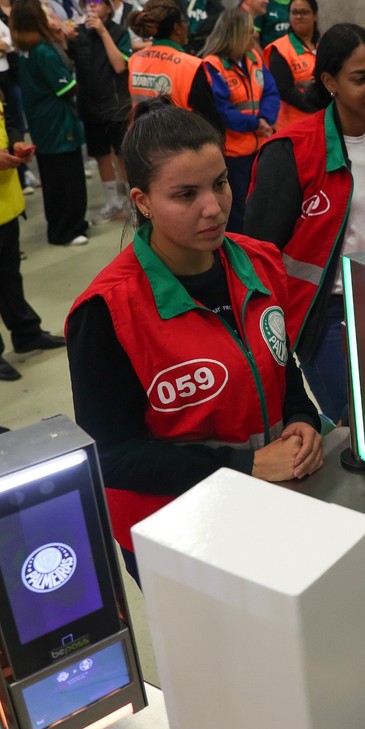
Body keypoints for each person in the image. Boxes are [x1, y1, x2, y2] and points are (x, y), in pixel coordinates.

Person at [66, 97, 323, 586]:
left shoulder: (261, 263)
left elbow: (279, 362)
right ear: (142, 201)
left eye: (220, 183)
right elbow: (111, 455)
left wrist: (302, 418)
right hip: (177, 532)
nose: (213, 208)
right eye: (185, 195)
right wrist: (243, 465)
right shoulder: (106, 312)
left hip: (271, 500)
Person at [244, 23, 365, 424]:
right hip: (327, 315)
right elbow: (257, 248)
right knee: (357, 422)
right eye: (361, 78)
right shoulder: (292, 151)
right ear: (330, 82)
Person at [10, 0, 88, 246]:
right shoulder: (43, 51)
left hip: (41, 122)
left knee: (52, 177)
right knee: (68, 177)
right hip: (57, 122)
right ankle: (69, 229)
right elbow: (66, 86)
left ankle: (61, 227)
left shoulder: (24, 50)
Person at [0, 93, 65, 382]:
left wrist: (16, 143)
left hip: (6, 203)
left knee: (9, 275)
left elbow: (8, 121)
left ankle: (26, 333)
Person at [200, 8, 278, 234]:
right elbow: (222, 110)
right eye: (249, 31)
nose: (255, 35)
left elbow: (271, 91)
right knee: (238, 211)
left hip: (262, 146)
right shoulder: (212, 65)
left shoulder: (254, 58)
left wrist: (266, 118)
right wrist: (255, 123)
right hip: (234, 153)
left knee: (264, 205)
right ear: (235, 34)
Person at [68, 0, 130, 225]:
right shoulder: (78, 34)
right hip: (89, 105)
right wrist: (63, 37)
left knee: (122, 155)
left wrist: (103, 32)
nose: (91, 6)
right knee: (101, 155)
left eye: (96, 2)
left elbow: (119, 65)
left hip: (115, 104)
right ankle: (112, 203)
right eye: (87, 3)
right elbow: (68, 62)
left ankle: (133, 204)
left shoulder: (118, 31)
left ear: (108, 8)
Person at [127, 0, 224, 133]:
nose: (187, 27)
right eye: (185, 22)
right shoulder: (190, 66)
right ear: (177, 28)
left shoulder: (135, 60)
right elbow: (211, 122)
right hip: (179, 140)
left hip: (141, 138)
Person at [262, 0, 318, 132]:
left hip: (323, 124)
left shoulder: (325, 44)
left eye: (304, 12)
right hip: (294, 128)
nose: (298, 17)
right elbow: (284, 90)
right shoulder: (280, 49)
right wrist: (318, 106)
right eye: (294, 12)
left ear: (315, 15)